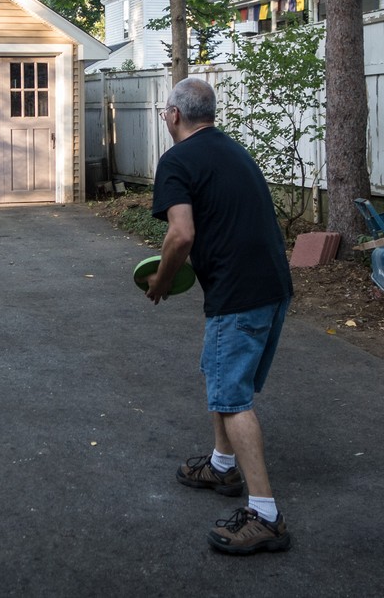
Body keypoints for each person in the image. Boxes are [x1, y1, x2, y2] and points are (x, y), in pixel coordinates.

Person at [145, 77, 293, 555]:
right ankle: (222, 465)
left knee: (232, 398)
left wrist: (163, 280)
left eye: (165, 114)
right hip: (271, 285)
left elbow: (181, 235)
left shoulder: (177, 160)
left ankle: (265, 516)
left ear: (173, 116)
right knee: (218, 373)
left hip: (239, 294)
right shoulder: (234, 150)